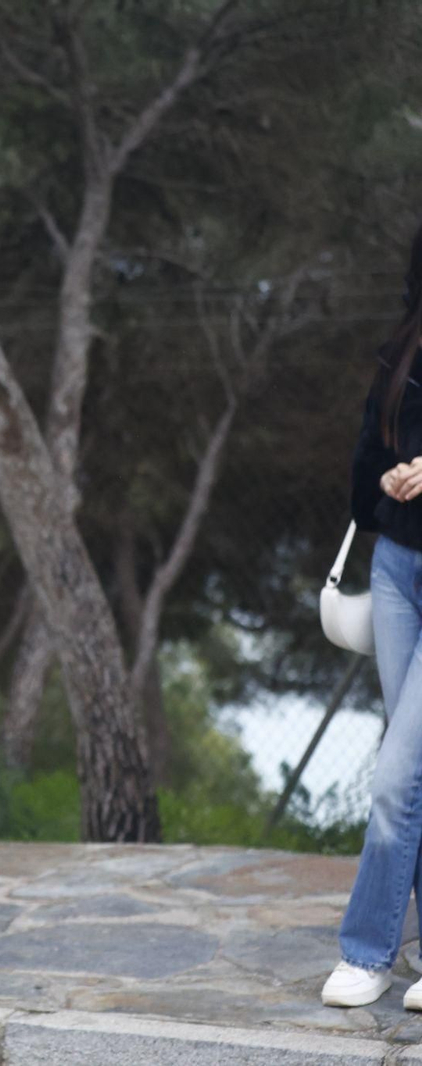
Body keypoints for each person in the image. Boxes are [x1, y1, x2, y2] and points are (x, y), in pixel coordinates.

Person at [323, 223, 422, 1010]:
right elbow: (369, 446)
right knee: (415, 769)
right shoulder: (405, 344)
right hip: (395, 569)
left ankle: (367, 950)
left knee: (395, 774)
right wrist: (384, 483)